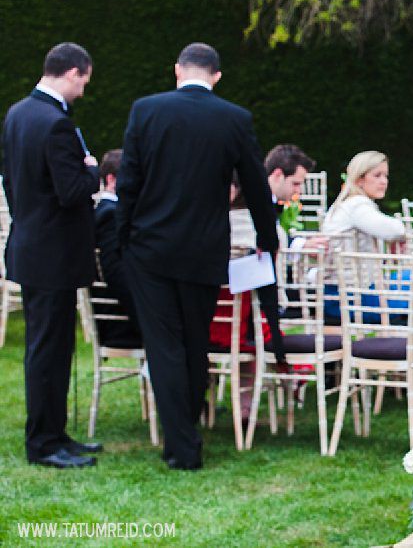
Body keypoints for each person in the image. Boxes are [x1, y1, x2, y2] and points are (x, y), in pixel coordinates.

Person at [116, 42, 278, 470]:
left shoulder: (145, 111)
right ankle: (185, 436)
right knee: (193, 342)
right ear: (217, 76)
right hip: (204, 250)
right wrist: (267, 238)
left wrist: (121, 239)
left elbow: (129, 182)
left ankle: (183, 443)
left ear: (177, 70)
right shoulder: (233, 118)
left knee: (164, 345)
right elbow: (257, 186)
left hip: (149, 248)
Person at [2, 42, 102, 468]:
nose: (83, 90)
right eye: (84, 81)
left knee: (53, 348)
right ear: (73, 72)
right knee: (48, 350)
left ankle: (56, 433)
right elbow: (72, 191)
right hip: (53, 254)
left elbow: (13, 181)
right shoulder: (56, 124)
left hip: (31, 245)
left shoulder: (17, 114)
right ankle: (44, 443)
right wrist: (94, 171)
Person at [321, 151, 407, 321]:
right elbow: (395, 229)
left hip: (343, 293)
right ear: (359, 179)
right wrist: (400, 238)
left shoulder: (348, 203)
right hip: (349, 299)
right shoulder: (357, 206)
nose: (384, 181)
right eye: (377, 175)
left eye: (385, 176)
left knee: (410, 280)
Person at [93, 148, 141, 347]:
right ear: (112, 179)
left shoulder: (104, 211)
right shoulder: (110, 215)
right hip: (120, 320)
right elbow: (116, 274)